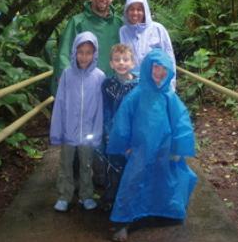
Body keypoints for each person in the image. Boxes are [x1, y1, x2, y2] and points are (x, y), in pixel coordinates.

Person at [106, 48, 198, 241]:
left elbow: (181, 122)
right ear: (148, 68)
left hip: (164, 149)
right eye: (155, 67)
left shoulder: (169, 96)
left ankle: (163, 212)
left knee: (165, 179)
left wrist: (178, 149)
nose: (159, 72)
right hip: (140, 149)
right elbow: (123, 121)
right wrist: (124, 145)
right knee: (133, 181)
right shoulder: (136, 95)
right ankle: (123, 221)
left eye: (163, 69)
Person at [50, 31, 105, 212]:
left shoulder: (99, 76)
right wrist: (58, 131)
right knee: (65, 165)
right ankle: (64, 195)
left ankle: (86, 195)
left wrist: (97, 133)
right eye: (80, 52)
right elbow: (59, 103)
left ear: (94, 54)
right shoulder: (67, 74)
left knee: (86, 165)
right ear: (74, 52)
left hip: (88, 134)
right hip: (69, 132)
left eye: (89, 52)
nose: (84, 56)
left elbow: (100, 108)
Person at [54, 0, 123, 83]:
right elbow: (64, 54)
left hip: (112, 85)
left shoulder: (119, 23)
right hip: (83, 84)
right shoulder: (77, 22)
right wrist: (64, 78)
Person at [99, 44, 139, 211]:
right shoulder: (107, 84)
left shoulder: (138, 86)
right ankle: (112, 197)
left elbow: (140, 113)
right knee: (112, 165)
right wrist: (108, 131)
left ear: (133, 62)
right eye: (117, 60)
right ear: (111, 63)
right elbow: (106, 109)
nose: (121, 63)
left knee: (131, 168)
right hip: (114, 133)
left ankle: (131, 200)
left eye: (125, 59)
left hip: (131, 135)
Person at [119, 0, 176, 88]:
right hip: (133, 86)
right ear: (127, 11)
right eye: (131, 9)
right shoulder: (123, 31)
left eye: (139, 9)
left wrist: (170, 85)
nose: (135, 13)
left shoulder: (158, 29)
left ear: (145, 11)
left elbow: (169, 58)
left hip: (157, 84)